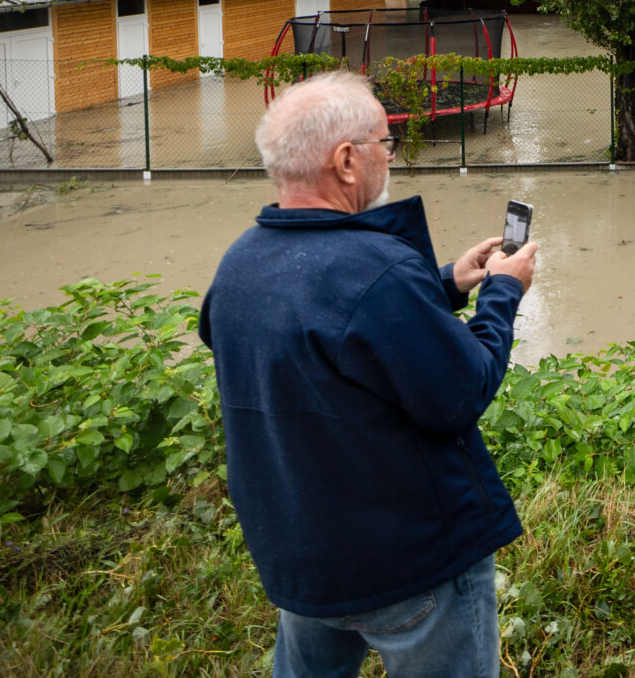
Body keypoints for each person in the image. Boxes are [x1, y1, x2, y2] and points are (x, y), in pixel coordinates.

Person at [200, 69, 539, 678]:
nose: (391, 156)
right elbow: (461, 393)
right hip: (409, 564)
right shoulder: (376, 269)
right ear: (348, 161)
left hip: (305, 561)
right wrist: (502, 294)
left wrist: (446, 283)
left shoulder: (238, 266)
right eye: (387, 143)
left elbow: (324, 336)